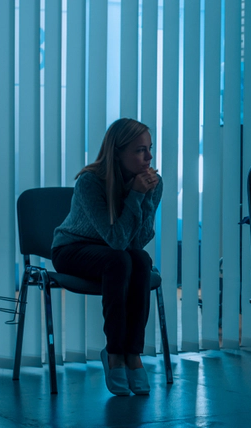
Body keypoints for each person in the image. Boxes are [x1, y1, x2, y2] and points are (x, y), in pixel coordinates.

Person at [51, 118, 162, 396]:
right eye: (140, 150)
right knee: (120, 260)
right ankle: (114, 354)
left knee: (141, 261)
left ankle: (132, 354)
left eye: (150, 149)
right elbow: (117, 241)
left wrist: (145, 197)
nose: (149, 157)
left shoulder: (151, 183)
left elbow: (137, 242)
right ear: (117, 152)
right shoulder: (90, 182)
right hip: (72, 249)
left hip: (116, 254)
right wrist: (136, 196)